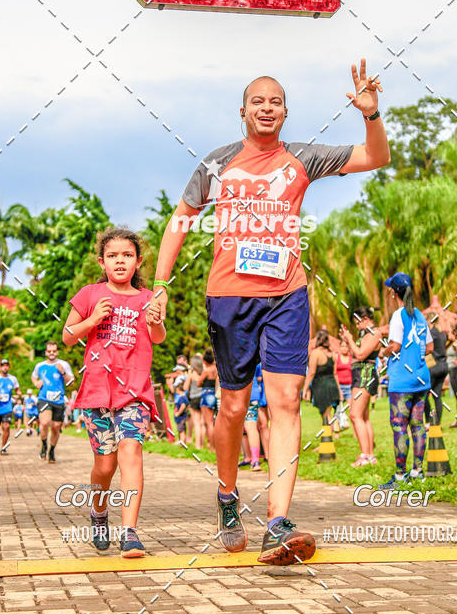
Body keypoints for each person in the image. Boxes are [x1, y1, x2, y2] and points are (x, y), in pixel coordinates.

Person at [149, 64, 389, 564]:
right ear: (243, 112)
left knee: (285, 400)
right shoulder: (217, 164)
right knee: (233, 408)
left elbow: (375, 157)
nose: (266, 107)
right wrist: (160, 285)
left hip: (287, 295)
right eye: (257, 101)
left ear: (285, 111)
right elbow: (179, 220)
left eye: (275, 101)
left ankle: (278, 521)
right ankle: (227, 496)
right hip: (229, 298)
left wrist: (371, 114)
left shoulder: (302, 157)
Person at [62, 227, 166, 556]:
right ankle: (99, 512)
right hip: (97, 390)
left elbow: (159, 337)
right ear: (101, 262)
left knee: (131, 451)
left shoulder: (149, 298)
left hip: (134, 390)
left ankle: (130, 531)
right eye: (112, 256)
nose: (120, 261)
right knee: (105, 467)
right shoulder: (90, 294)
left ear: (138, 262)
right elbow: (67, 335)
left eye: (127, 255)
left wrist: (155, 321)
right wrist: (92, 319)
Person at [379, 273, 433, 489]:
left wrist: (383, 352)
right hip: (421, 379)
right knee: (418, 426)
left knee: (399, 426)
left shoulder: (398, 315)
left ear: (394, 293)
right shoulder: (419, 315)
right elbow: (429, 347)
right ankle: (417, 471)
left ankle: (400, 476)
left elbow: (394, 346)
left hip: (401, 381)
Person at [340, 307, 382, 467]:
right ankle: (370, 455)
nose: (356, 327)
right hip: (360, 374)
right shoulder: (367, 334)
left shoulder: (374, 333)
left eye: (358, 323)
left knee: (355, 415)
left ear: (365, 319)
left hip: (365, 375)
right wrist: (347, 338)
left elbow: (360, 354)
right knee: (363, 417)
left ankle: (365, 455)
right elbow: (355, 353)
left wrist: (350, 339)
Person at [32, 340, 74, 464]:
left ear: (57, 352)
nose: (51, 353)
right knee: (44, 423)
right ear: (45, 352)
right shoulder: (39, 366)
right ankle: (44, 444)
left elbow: (70, 382)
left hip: (59, 399)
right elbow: (34, 376)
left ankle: (51, 450)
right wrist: (36, 383)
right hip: (44, 398)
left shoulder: (63, 364)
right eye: (49, 351)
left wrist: (63, 372)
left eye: (54, 351)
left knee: (56, 427)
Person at [303, 330, 342, 428]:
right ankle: (330, 435)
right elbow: (335, 374)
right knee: (328, 413)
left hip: (321, 386)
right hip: (332, 385)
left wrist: (305, 388)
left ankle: (328, 439)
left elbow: (311, 373)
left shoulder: (315, 353)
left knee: (325, 415)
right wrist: (339, 391)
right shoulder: (332, 354)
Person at [424, 312, 449, 426]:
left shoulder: (431, 333)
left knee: (424, 395)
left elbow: (425, 348)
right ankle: (437, 423)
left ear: (429, 320)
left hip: (433, 366)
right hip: (444, 366)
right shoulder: (442, 333)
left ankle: (429, 421)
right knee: (437, 396)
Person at [244, 362, 268, 471]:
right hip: (254, 395)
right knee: (256, 427)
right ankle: (256, 458)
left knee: (251, 428)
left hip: (243, 395)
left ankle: (255, 461)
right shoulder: (255, 355)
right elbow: (259, 377)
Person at [198, 348, 218, 449]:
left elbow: (198, 383)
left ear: (205, 361)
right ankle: (214, 445)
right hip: (214, 394)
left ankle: (212, 447)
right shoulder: (216, 368)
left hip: (206, 394)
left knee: (209, 423)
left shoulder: (206, 371)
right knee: (213, 423)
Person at [186, 354, 204, 449]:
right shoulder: (204, 372)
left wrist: (189, 372)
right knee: (202, 423)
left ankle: (198, 446)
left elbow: (185, 387)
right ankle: (202, 444)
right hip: (203, 397)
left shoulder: (192, 374)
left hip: (194, 399)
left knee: (196, 423)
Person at [335, 339, 352, 431]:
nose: (344, 348)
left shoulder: (351, 358)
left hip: (349, 386)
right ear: (340, 347)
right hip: (339, 386)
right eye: (342, 346)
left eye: (346, 346)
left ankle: (356, 433)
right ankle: (337, 431)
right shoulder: (336, 358)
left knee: (351, 409)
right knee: (337, 410)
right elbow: (334, 373)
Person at [173, 376, 189, 445]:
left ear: (178, 390)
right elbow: (188, 406)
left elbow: (183, 406)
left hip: (181, 417)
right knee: (182, 430)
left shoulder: (182, 397)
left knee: (181, 430)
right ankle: (182, 441)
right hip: (183, 417)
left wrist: (178, 413)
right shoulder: (184, 397)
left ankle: (182, 443)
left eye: (176, 390)